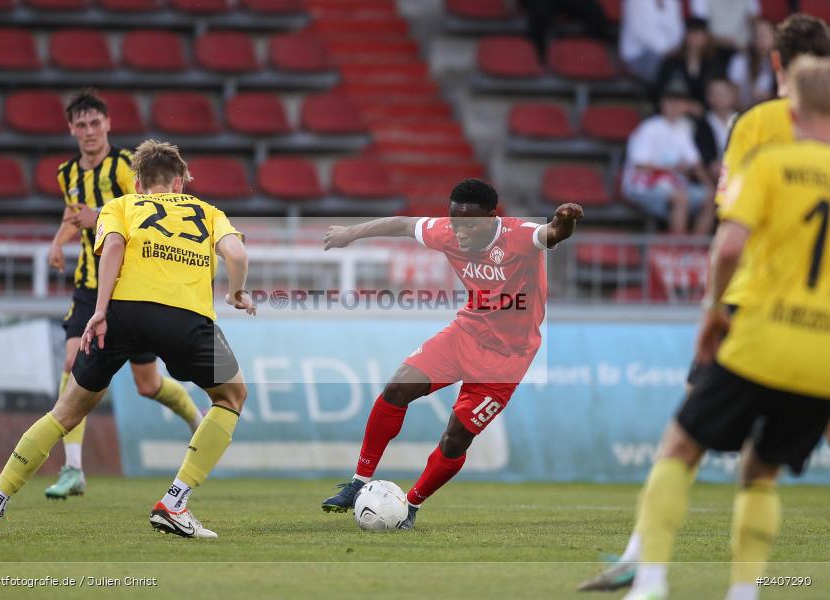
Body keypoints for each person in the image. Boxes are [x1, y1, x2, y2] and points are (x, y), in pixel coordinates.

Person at [577, 13, 830, 594]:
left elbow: (729, 216)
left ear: (775, 65)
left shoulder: (759, 125)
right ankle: (746, 588)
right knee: (763, 469)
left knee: (684, 438)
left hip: (750, 307)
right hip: (818, 336)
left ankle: (645, 564)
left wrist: (712, 307)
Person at [0, 140, 256, 539]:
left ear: (137, 182)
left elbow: (113, 248)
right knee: (231, 397)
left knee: (64, 413)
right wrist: (236, 293)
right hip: (185, 319)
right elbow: (237, 255)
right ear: (179, 185)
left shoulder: (120, 205)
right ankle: (175, 502)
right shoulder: (208, 212)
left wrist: (99, 311)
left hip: (122, 313)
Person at [319, 179, 583, 529]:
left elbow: (552, 234)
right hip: (466, 333)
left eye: (469, 224)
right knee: (397, 388)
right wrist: (351, 233)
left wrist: (566, 219)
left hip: (507, 357)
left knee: (456, 436)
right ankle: (358, 483)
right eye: (454, 220)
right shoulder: (446, 231)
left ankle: (409, 507)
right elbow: (401, 224)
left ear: (492, 218)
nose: (459, 230)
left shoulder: (517, 236)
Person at [46, 91, 203, 500]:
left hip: (130, 286)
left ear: (108, 124)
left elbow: (148, 212)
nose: (88, 131)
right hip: (89, 283)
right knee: (71, 359)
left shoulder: (124, 167)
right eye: (80, 125)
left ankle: (197, 420)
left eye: (95, 123)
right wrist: (59, 241)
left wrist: (93, 217)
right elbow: (73, 214)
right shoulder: (66, 172)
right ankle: (74, 468)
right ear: (71, 129)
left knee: (148, 385)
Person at [623, 75, 715, 235]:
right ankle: (677, 252)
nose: (675, 105)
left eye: (680, 101)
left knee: (710, 198)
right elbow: (640, 165)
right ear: (662, 103)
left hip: (671, 184)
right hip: (642, 185)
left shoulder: (684, 128)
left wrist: (711, 187)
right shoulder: (649, 128)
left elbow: (695, 164)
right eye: (671, 100)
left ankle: (695, 252)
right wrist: (672, 168)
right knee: (681, 198)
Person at [651, 18, 725, 110]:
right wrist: (686, 105)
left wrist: (702, 107)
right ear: (685, 36)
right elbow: (659, 90)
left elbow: (718, 91)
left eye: (699, 35)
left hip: (706, 113)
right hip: (675, 111)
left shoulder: (714, 63)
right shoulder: (672, 62)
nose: (695, 39)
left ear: (707, 38)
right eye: (692, 34)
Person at [619, 0, 684, 83]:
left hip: (669, 53)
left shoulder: (673, 2)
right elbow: (641, 32)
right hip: (638, 55)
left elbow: (678, 31)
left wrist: (673, 48)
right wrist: (667, 50)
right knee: (663, 68)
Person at [694, 78, 739, 182]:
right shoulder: (703, 124)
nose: (721, 98)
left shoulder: (741, 120)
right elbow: (707, 160)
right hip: (716, 171)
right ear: (709, 97)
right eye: (716, 94)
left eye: (724, 94)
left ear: (732, 96)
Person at [728, 18, 776, 108]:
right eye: (758, 35)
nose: (762, 39)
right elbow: (733, 96)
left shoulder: (780, 62)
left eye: (765, 35)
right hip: (745, 111)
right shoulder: (740, 60)